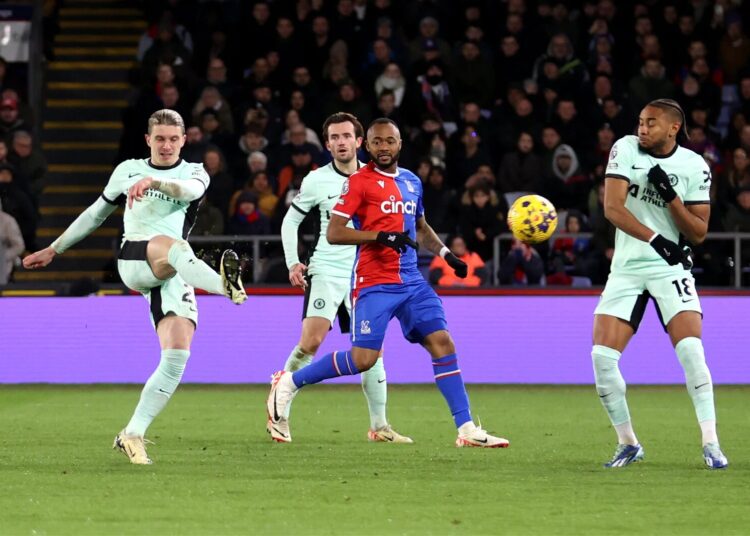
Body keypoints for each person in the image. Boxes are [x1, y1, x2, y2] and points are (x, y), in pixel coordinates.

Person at [22, 110, 248, 465]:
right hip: (135, 259)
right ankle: (224, 285)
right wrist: (55, 248)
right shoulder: (127, 170)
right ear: (148, 140)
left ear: (183, 140)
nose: (166, 145)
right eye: (159, 139)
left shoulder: (194, 172)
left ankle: (132, 434)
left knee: (177, 355)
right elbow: (95, 214)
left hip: (173, 269)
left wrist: (154, 183)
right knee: (176, 247)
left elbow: (188, 191)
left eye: (173, 139)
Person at [267, 118, 509, 448]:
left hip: (412, 282)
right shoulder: (358, 183)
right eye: (377, 142)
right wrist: (378, 236)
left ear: (399, 144)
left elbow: (420, 226)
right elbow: (334, 232)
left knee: (443, 343)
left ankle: (466, 429)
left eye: (389, 141)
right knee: (363, 359)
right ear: (367, 146)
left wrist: (446, 254)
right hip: (374, 282)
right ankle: (290, 382)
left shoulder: (411, 181)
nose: (384, 147)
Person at [593, 99, 727, 469]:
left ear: (673, 128)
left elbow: (698, 232)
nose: (642, 128)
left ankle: (711, 443)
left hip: (672, 269)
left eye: (651, 123)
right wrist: (655, 239)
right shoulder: (625, 149)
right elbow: (613, 208)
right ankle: (628, 443)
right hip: (627, 268)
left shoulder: (694, 166)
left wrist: (670, 197)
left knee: (692, 352)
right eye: (640, 121)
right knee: (602, 358)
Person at [275, 112, 411, 444]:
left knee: (373, 351)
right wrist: (293, 262)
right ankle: (279, 406)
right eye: (334, 137)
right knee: (311, 342)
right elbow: (290, 222)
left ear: (359, 141)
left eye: (347, 136)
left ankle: (379, 427)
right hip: (326, 269)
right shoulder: (316, 180)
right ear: (327, 144)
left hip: (364, 274)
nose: (341, 142)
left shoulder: (378, 178)